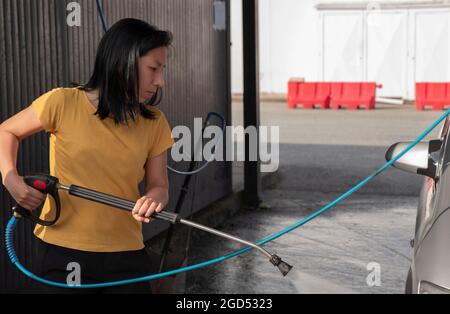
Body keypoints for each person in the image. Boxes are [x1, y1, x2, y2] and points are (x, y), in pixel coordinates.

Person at [0, 18, 174, 293]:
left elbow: (159, 185)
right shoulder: (62, 102)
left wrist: (154, 198)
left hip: (127, 256)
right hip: (63, 253)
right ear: (123, 61)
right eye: (153, 68)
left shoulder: (155, 122)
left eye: (161, 69)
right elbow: (6, 132)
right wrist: (11, 179)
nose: (160, 81)